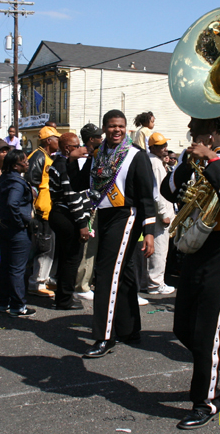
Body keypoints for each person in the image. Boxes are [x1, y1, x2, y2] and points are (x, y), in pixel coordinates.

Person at [160, 112, 220, 429]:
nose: (189, 129)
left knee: (206, 335)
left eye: (196, 125)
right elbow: (168, 190)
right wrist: (190, 164)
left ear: (211, 129)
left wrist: (213, 162)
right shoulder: (193, 159)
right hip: (195, 247)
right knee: (182, 329)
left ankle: (206, 402)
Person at [69, 109, 155, 359]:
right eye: (111, 126)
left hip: (126, 216)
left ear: (126, 128)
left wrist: (149, 231)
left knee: (106, 274)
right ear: (104, 128)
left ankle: (104, 336)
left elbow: (147, 197)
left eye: (120, 126)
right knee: (124, 271)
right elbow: (79, 185)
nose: (116, 130)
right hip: (104, 216)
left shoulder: (136, 156)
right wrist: (73, 160)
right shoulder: (98, 155)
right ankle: (129, 330)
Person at [48, 133, 90, 310]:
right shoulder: (63, 166)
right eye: (76, 146)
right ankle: (65, 299)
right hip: (67, 216)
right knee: (72, 259)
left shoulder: (59, 164)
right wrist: (82, 224)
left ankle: (63, 295)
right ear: (67, 148)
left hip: (61, 214)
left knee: (66, 257)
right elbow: (72, 195)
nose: (80, 149)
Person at [0, 149, 36, 317]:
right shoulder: (17, 183)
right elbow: (12, 203)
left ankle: (3, 303)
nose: (27, 164)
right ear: (16, 166)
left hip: (4, 227)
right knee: (17, 268)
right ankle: (18, 305)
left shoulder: (5, 178)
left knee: (6, 266)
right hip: (17, 230)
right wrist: (20, 222)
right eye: (24, 162)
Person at [26, 126, 61, 298]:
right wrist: (35, 208)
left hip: (50, 210)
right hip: (41, 211)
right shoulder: (38, 157)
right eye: (57, 139)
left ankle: (45, 279)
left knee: (49, 246)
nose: (59, 142)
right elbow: (30, 183)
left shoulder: (48, 157)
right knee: (43, 246)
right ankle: (37, 282)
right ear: (48, 140)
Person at [74, 123, 103, 301]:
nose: (102, 139)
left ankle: (89, 282)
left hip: (97, 205)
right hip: (86, 208)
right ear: (91, 140)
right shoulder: (82, 157)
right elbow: (78, 186)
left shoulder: (97, 156)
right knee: (88, 248)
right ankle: (81, 285)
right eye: (99, 136)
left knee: (94, 248)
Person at [146, 132, 175, 295]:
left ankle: (149, 280)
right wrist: (164, 213)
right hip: (160, 213)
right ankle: (156, 283)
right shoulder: (156, 163)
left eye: (165, 145)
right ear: (153, 148)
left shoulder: (152, 160)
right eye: (161, 146)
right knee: (159, 247)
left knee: (151, 247)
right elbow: (158, 192)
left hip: (153, 211)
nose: (165, 148)